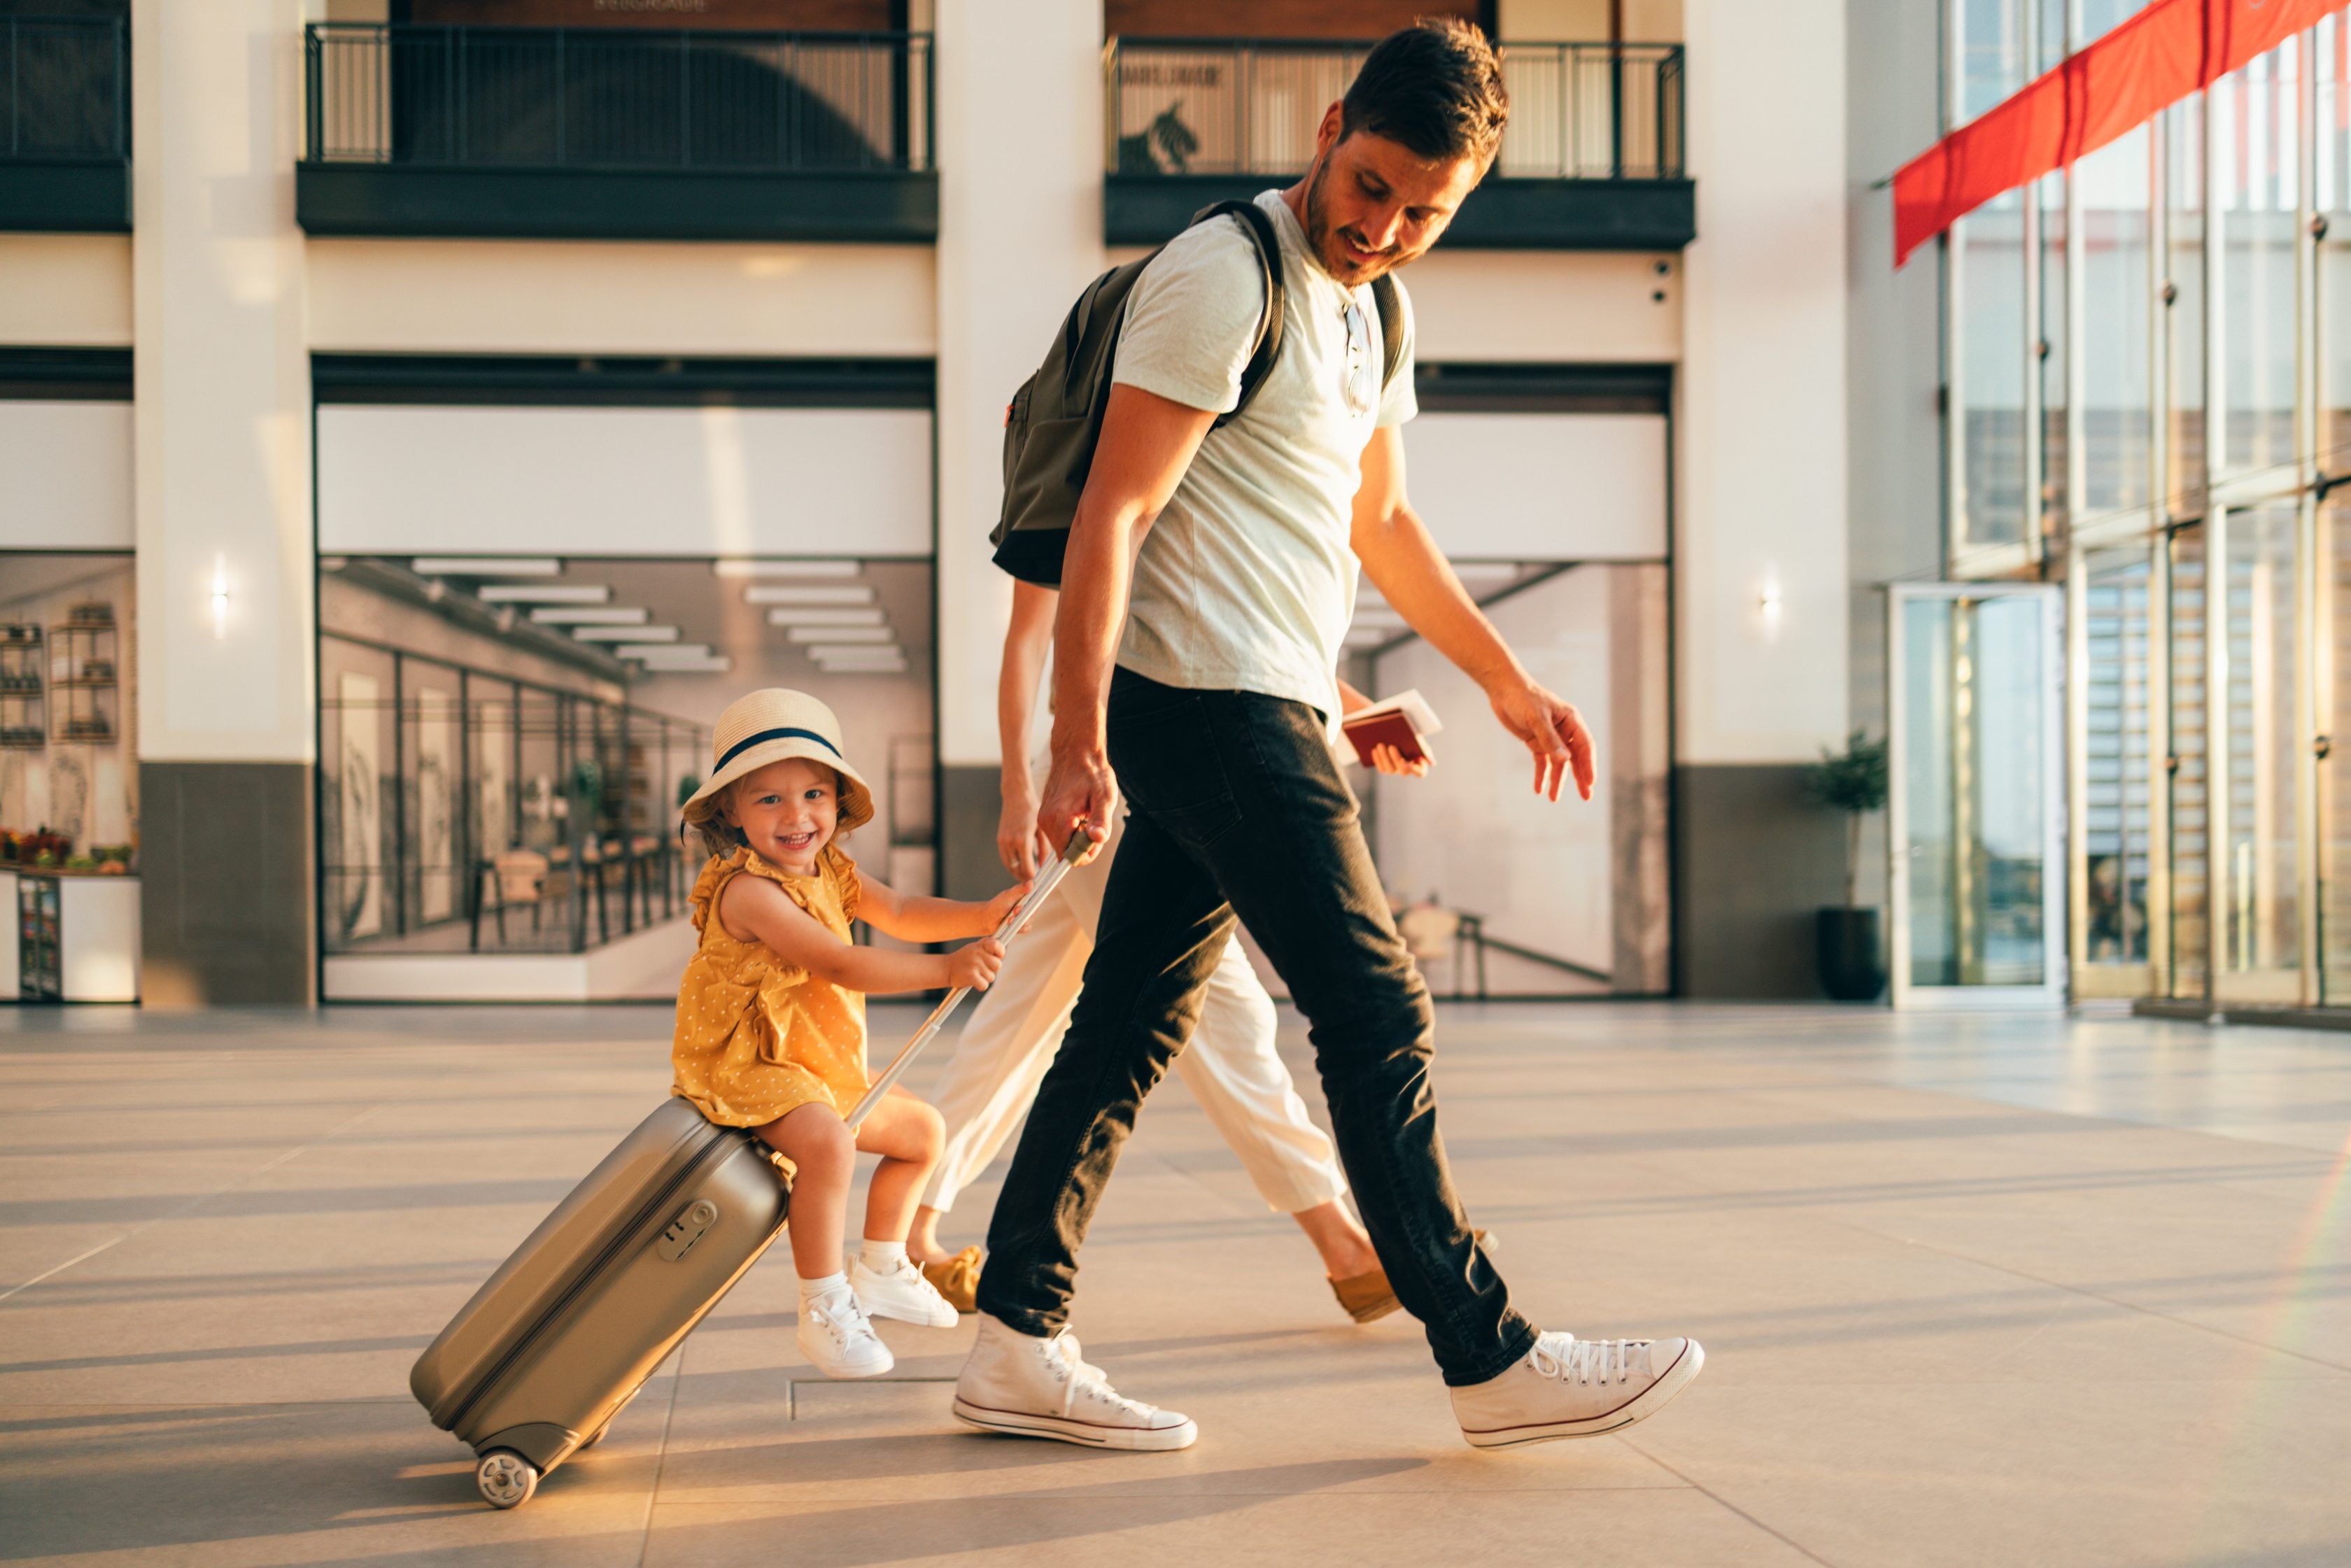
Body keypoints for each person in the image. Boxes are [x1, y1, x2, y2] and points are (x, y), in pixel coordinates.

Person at [952, 20, 1702, 1452]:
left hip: (1267, 700)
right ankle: (1486, 1351)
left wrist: (1496, 678)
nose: (1384, 226)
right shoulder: (1223, 275)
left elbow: (1377, 523)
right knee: (1372, 1008)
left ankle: (1013, 1332)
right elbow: (1114, 510)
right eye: (1370, 186)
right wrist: (1067, 733)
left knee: (1125, 1022)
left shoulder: (1377, 312)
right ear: (1328, 126)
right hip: (1206, 701)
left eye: (1427, 210)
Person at [908, 577, 1436, 1324]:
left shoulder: (1194, 496)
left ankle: (907, 1229)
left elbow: (1232, 634)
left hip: (1155, 765)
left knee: (1021, 1017)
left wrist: (1356, 716)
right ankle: (1343, 1247)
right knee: (1223, 1009)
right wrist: (1018, 789)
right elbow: (1028, 639)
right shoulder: (1089, 472)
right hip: (1100, 777)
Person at [672, 688, 1024, 1380]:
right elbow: (839, 963)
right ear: (731, 814)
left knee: (923, 1132)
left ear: (837, 801)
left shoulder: (832, 870)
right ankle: (822, 1303)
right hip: (750, 1065)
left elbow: (901, 911)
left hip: (813, 1067)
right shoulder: (749, 891)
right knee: (829, 1143)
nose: (797, 815)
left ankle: (886, 1264)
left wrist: (982, 914)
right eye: (768, 799)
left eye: (813, 794)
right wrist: (947, 969)